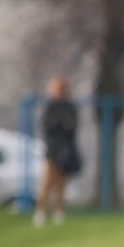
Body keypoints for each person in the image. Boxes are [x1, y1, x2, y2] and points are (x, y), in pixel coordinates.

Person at [36, 76, 79, 227]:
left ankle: (58, 212)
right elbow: (49, 126)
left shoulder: (69, 107)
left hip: (65, 152)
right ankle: (40, 212)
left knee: (61, 184)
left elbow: (71, 126)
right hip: (52, 151)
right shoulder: (50, 107)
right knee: (46, 183)